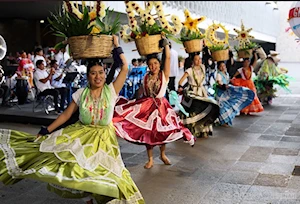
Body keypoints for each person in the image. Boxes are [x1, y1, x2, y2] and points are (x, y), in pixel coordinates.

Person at [0, 35, 145, 204]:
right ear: (88, 76)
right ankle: (90, 198)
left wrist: (117, 46)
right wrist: (46, 130)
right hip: (82, 135)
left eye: (100, 73)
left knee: (108, 173)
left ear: (105, 75)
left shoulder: (111, 91)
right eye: (93, 73)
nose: (97, 77)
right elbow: (66, 115)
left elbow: (125, 67)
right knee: (78, 168)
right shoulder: (80, 94)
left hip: (104, 140)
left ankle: (99, 197)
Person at [113, 37, 195, 169]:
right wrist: (134, 102)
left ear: (159, 64)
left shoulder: (164, 74)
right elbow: (141, 91)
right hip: (147, 107)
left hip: (162, 107)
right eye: (151, 64)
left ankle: (163, 155)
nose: (153, 66)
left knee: (163, 131)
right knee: (148, 133)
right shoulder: (146, 77)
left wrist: (166, 45)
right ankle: (150, 159)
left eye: (155, 64)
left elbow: (167, 59)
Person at [177, 52, 219, 138]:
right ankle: (192, 130)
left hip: (202, 91)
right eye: (196, 59)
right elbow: (180, 81)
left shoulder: (203, 67)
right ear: (193, 61)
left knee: (204, 109)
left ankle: (203, 130)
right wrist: (181, 88)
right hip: (192, 92)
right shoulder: (189, 70)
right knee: (193, 111)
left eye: (199, 59)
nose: (198, 61)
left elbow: (211, 63)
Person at [214, 61, 255, 127]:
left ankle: (226, 120)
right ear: (219, 67)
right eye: (221, 66)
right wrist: (223, 85)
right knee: (222, 107)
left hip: (226, 92)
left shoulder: (226, 74)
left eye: (224, 66)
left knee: (228, 106)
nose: (223, 67)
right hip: (221, 93)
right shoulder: (219, 74)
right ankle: (223, 121)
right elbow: (219, 82)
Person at [231, 51, 264, 115]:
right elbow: (234, 76)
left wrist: (254, 53)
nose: (246, 63)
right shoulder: (240, 70)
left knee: (252, 96)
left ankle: (249, 110)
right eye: (245, 62)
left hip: (250, 84)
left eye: (247, 62)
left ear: (249, 62)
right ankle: (243, 110)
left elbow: (255, 60)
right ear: (243, 63)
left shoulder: (251, 68)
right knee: (244, 97)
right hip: (244, 84)